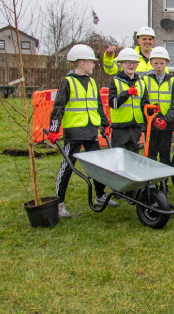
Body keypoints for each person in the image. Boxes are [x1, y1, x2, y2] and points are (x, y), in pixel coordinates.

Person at [46, 44, 113, 218]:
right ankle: (59, 202)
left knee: (98, 165)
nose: (94, 65)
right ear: (82, 63)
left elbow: (97, 106)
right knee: (68, 167)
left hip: (91, 131)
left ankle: (100, 195)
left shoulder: (91, 82)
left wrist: (104, 124)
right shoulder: (67, 82)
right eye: (92, 62)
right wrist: (54, 130)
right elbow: (58, 107)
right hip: (74, 132)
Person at [143, 47, 174, 167]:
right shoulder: (144, 80)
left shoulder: (172, 81)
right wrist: (153, 120)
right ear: (151, 63)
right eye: (156, 63)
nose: (159, 66)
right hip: (151, 125)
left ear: (167, 63)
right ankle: (151, 181)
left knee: (165, 154)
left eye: (161, 63)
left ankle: (163, 181)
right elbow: (143, 101)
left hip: (167, 125)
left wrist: (166, 120)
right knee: (151, 155)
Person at [108, 48, 148, 154]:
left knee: (133, 155)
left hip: (136, 126)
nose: (131, 65)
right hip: (120, 126)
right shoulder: (115, 81)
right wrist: (126, 93)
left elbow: (144, 103)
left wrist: (151, 109)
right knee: (118, 156)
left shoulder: (141, 82)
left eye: (134, 63)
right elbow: (113, 103)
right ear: (121, 64)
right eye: (128, 62)